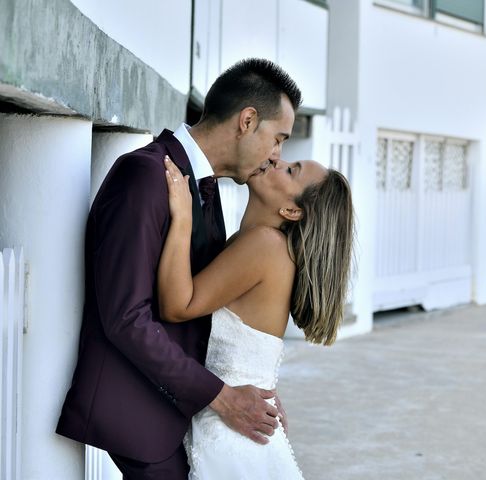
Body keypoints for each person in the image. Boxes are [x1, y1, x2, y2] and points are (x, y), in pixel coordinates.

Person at [56, 58, 302, 479]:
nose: (276, 155)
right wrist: (221, 396)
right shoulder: (145, 175)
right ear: (247, 121)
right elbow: (126, 318)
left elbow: (207, 305)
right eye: (277, 138)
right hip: (138, 419)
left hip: (178, 419)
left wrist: (252, 379)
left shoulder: (206, 187)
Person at [159, 154, 353, 479]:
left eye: (292, 171)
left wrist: (181, 218)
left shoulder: (265, 244)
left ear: (292, 211)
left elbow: (178, 306)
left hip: (228, 428)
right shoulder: (261, 244)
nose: (277, 161)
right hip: (233, 420)